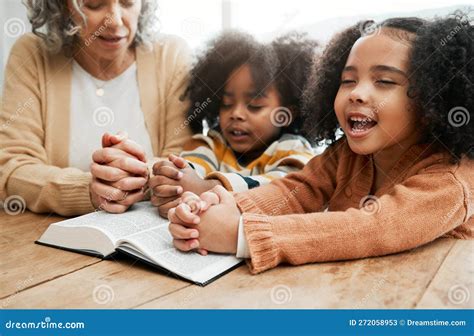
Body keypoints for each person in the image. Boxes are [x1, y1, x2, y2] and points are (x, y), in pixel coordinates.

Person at [167, 13, 473, 274]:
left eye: (384, 81)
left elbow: (374, 228)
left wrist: (240, 233)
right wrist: (219, 205)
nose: (357, 93)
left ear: (435, 98)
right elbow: (296, 191)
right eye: (348, 80)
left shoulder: (450, 181)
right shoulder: (346, 154)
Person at [0, 0, 192, 216]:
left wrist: (132, 178)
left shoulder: (171, 54)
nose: (116, 20)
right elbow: (10, 167)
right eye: (95, 4)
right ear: (62, 7)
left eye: (128, 3)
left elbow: (188, 160)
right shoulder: (33, 54)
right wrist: (87, 190)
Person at [150, 31, 318, 217]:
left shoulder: (293, 149)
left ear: (288, 113)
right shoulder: (212, 143)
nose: (236, 114)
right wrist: (174, 182)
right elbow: (192, 169)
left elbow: (281, 189)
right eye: (226, 104)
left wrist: (207, 187)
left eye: (254, 105)